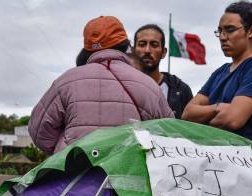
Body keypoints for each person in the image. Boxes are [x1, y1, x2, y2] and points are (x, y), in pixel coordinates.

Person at [30, 15, 174, 155]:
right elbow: (168, 134)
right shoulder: (149, 85)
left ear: (87, 48)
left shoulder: (66, 81)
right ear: (126, 45)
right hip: (128, 175)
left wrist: (64, 152)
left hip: (74, 173)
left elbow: (38, 132)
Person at [182, 1, 252, 146]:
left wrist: (203, 116)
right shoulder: (220, 72)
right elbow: (187, 114)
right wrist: (218, 108)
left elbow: (232, 120)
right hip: (213, 159)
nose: (222, 37)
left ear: (251, 31)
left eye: (230, 29)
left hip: (247, 162)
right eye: (220, 31)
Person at [133, 24, 193, 119]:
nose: (147, 50)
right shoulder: (121, 85)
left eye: (154, 45)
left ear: (164, 52)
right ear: (133, 51)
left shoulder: (181, 90)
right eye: (142, 44)